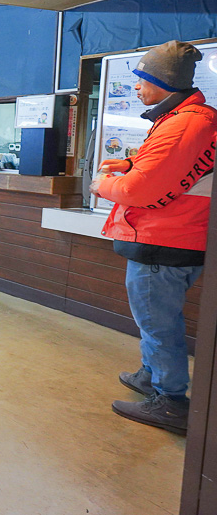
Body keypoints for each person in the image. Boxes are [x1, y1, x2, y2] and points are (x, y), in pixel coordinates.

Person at [91, 40, 217, 435]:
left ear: (163, 81)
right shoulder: (189, 118)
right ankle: (151, 377)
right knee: (155, 320)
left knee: (159, 323)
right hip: (176, 237)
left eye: (142, 79)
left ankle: (170, 400)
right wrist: (130, 163)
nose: (137, 88)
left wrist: (104, 184)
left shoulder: (184, 123)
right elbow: (172, 167)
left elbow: (138, 191)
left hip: (165, 240)